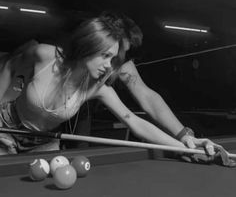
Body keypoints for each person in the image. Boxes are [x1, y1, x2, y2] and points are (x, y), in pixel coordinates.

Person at [0, 13, 234, 167]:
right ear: (89, 46)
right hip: (5, 128)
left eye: (114, 58)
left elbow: (135, 121)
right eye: (105, 56)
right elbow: (11, 64)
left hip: (45, 142)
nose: (110, 66)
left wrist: (185, 144)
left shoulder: (98, 87)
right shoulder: (45, 55)